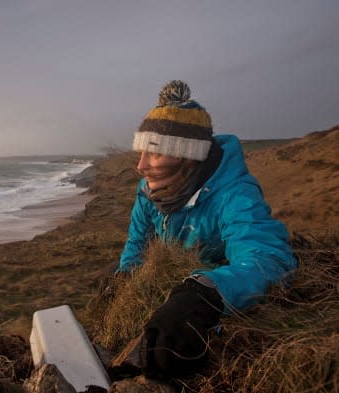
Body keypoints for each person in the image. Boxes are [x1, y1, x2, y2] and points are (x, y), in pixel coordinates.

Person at [115, 80, 296, 379]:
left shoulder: (234, 195)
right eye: (141, 152)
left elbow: (270, 259)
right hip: (174, 273)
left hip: (212, 278)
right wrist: (124, 275)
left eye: (154, 153)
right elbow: (138, 241)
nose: (140, 165)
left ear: (187, 155)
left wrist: (204, 295)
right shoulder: (149, 190)